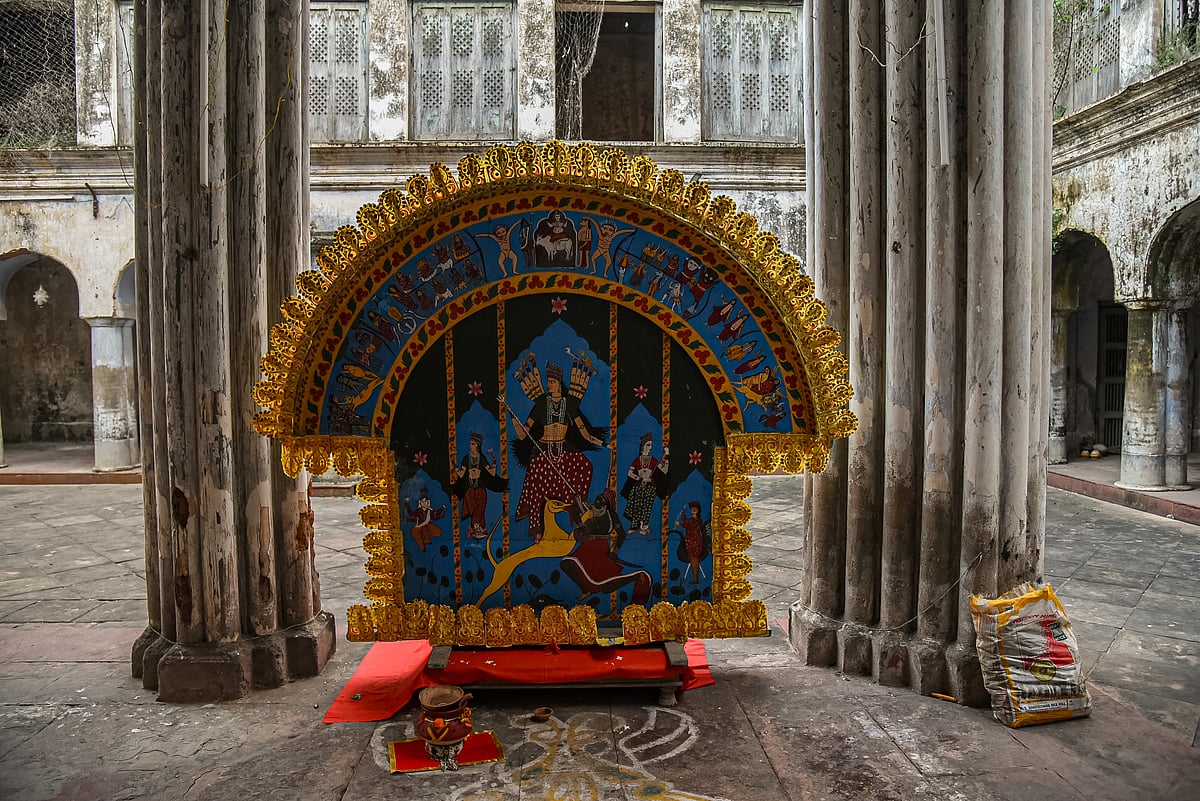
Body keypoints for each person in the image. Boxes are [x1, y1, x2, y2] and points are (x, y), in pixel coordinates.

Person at [511, 361, 606, 542]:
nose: (549, 385)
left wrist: (604, 444)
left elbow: (584, 433)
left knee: (586, 466)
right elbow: (523, 434)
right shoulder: (540, 405)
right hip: (543, 449)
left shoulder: (568, 404)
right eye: (548, 382)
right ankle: (537, 529)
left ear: (559, 382)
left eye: (552, 382)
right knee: (537, 486)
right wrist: (514, 419)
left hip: (563, 449)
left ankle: (578, 507)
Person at [560, 489, 652, 604]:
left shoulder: (611, 515)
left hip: (600, 547)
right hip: (586, 547)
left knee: (604, 585)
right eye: (600, 496)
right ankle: (585, 590)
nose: (600, 499)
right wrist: (579, 508)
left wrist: (614, 552)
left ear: (607, 504)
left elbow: (622, 534)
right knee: (566, 563)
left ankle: (637, 576)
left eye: (604, 499)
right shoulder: (588, 509)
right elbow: (576, 515)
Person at [450, 432, 506, 539]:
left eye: (472, 444)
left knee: (481, 507)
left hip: (481, 489)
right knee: (474, 508)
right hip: (470, 489)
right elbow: (461, 474)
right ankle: (476, 529)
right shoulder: (467, 458)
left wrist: (493, 459)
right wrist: (453, 462)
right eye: (470, 444)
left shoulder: (482, 459)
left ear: (477, 445)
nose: (470, 446)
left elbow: (492, 473)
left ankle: (478, 529)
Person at [620, 432, 670, 535]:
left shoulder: (653, 460)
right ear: (643, 446)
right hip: (639, 486)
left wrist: (667, 456)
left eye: (651, 445)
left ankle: (644, 527)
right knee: (637, 506)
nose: (650, 447)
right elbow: (630, 473)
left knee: (647, 506)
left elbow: (664, 471)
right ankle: (634, 526)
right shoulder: (638, 460)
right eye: (648, 445)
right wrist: (638, 478)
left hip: (650, 486)